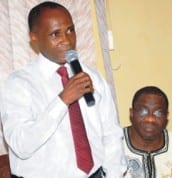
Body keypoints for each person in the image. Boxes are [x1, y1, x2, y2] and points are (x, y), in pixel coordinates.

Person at [0, 1, 126, 178]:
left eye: (70, 30)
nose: (67, 40)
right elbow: (22, 146)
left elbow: (111, 133)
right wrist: (63, 100)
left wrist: (114, 175)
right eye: (55, 34)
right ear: (34, 36)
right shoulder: (18, 84)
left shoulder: (92, 76)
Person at [123, 86, 172, 178]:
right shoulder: (113, 146)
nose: (150, 119)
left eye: (158, 113)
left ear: (166, 116)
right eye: (143, 111)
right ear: (132, 113)